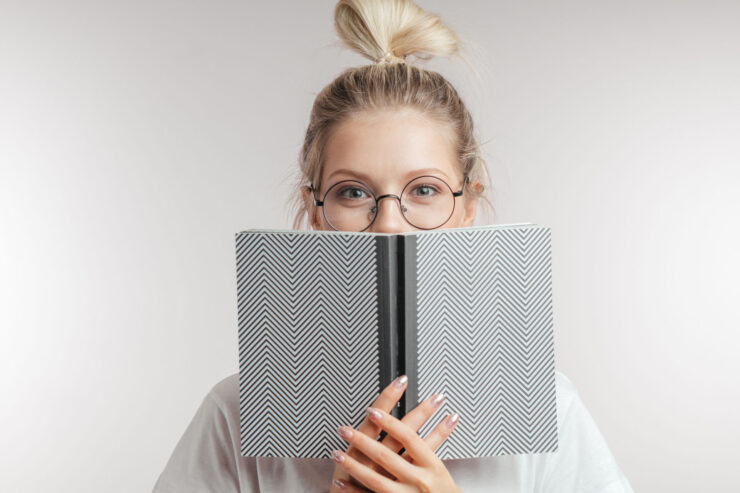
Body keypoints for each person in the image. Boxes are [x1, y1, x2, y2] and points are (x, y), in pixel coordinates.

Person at [152, 0, 635, 491]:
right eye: (352, 192)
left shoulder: (544, 405)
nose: (387, 224)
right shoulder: (236, 414)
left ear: (468, 206)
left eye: (424, 190)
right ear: (315, 212)